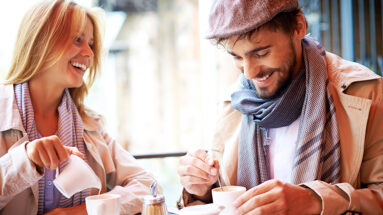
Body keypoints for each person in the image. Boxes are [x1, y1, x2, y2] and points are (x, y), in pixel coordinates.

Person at [178, 0, 383, 214]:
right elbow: (225, 196)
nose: (248, 73)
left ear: (298, 27)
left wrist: (315, 201)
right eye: (237, 57)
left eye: (261, 53)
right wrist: (201, 188)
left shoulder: (365, 92)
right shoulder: (234, 102)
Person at [0, 0, 155, 214]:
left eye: (90, 44)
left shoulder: (91, 126)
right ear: (41, 42)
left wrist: (81, 211)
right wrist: (25, 160)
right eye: (77, 40)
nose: (89, 53)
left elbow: (148, 186)